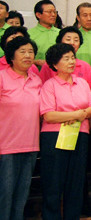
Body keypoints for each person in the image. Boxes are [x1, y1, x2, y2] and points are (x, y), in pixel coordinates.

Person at [40, 43, 91, 219]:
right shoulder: (49, 85)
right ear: (55, 64)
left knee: (76, 183)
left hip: (80, 134)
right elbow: (48, 115)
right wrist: (77, 114)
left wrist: (81, 115)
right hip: (55, 136)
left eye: (73, 57)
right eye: (66, 58)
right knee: (54, 183)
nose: (71, 61)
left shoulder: (83, 83)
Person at [0, 37, 42, 220]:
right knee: (4, 195)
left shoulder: (36, 79)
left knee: (21, 196)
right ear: (11, 56)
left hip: (31, 146)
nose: (28, 55)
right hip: (5, 146)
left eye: (31, 52)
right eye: (22, 51)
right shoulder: (1, 77)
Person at [29, 0, 60, 68]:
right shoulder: (29, 34)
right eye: (49, 12)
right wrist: (35, 62)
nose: (53, 15)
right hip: (35, 73)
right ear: (38, 15)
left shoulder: (61, 33)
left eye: (54, 12)